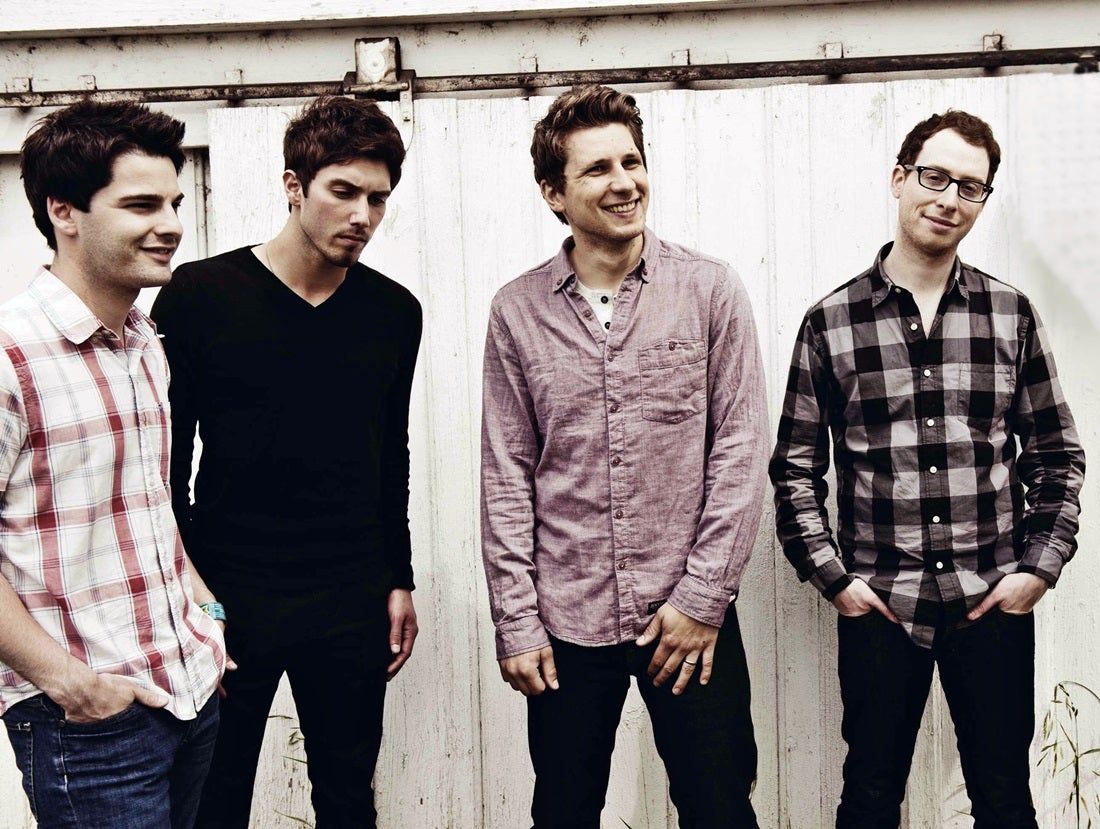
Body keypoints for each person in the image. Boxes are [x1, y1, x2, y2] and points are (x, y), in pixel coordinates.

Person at [770, 110, 1086, 828]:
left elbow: (1055, 454)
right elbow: (794, 467)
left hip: (992, 597)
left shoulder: (1010, 313)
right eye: (935, 177)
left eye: (970, 187)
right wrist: (837, 580)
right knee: (870, 796)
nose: (949, 199)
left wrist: (1037, 569)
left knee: (1004, 798)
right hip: (882, 602)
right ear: (900, 179)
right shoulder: (831, 322)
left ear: (983, 200)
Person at [480, 84, 769, 829]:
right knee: (564, 810)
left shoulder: (709, 291)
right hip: (567, 616)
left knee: (718, 806)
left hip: (688, 612)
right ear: (553, 193)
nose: (624, 182)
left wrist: (702, 599)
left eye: (631, 162)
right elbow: (506, 474)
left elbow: (740, 451)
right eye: (598, 169)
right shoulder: (517, 311)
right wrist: (517, 620)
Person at [150, 95, 421, 828]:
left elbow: (389, 452)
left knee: (347, 797)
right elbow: (166, 463)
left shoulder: (393, 312)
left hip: (351, 591)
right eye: (344, 191)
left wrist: (398, 576)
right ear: (294, 186)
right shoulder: (198, 296)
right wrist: (190, 591)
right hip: (231, 588)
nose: (362, 215)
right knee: (214, 794)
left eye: (377, 199)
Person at [0, 100, 227, 828]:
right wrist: (72, 684)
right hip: (88, 723)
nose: (171, 224)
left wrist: (207, 621)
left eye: (174, 203)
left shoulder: (143, 340)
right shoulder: (10, 356)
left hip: (189, 689)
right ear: (63, 211)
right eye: (141, 205)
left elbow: (146, 501)